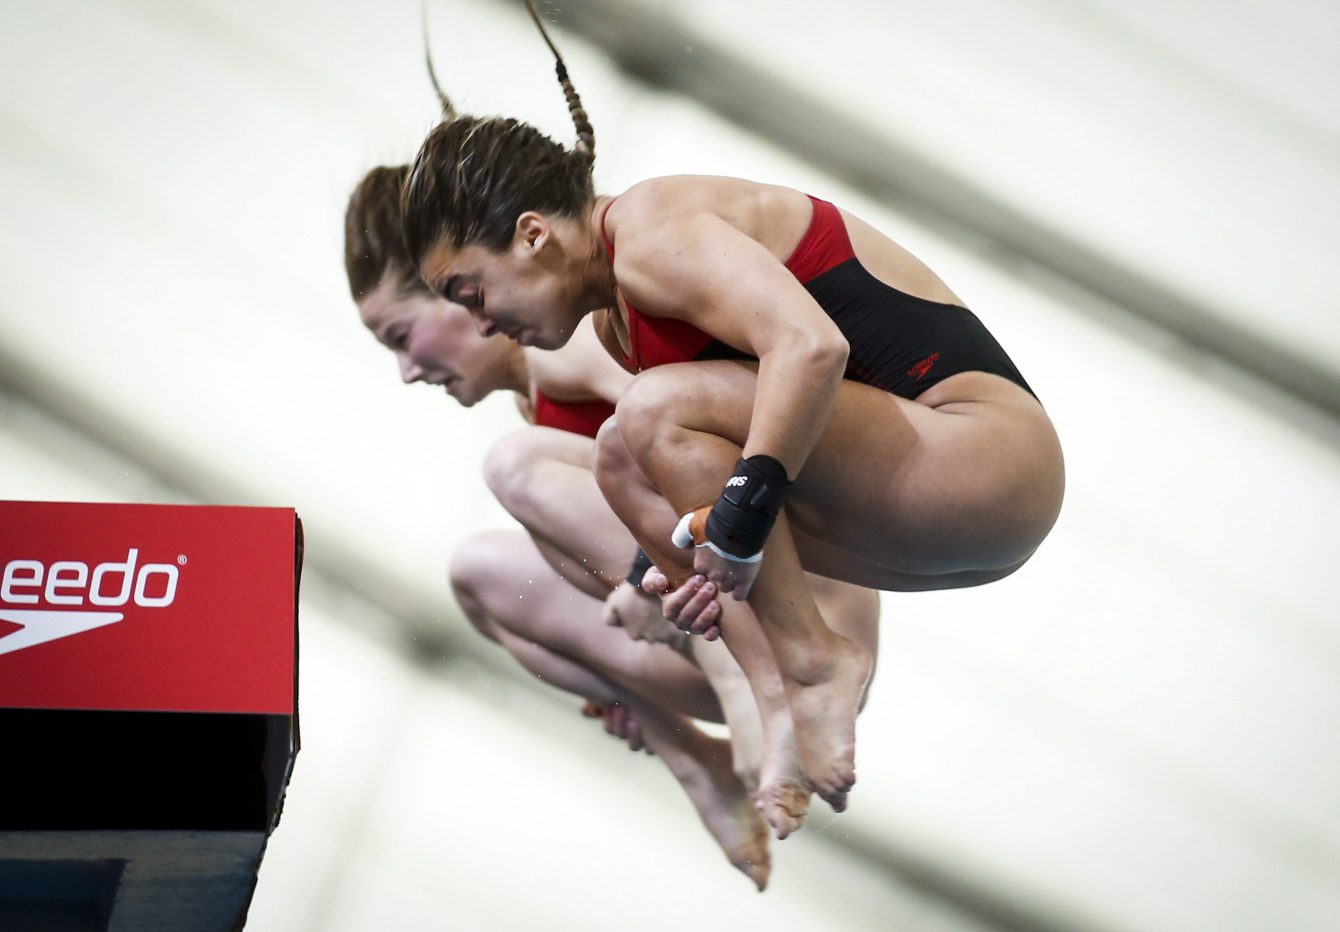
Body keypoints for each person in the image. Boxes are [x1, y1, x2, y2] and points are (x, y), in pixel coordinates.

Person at [397, 1, 1065, 821]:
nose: (484, 324)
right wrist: (682, 569)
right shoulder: (614, 326)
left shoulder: (650, 230)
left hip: (988, 463)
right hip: (934, 529)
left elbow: (810, 348)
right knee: (618, 459)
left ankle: (810, 666)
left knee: (647, 417)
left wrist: (739, 518)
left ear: (533, 235)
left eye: (473, 294)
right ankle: (787, 678)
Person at [343, 164, 879, 887]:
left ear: (457, 292)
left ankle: (761, 694)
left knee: (515, 466)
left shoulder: (568, 345)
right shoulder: (537, 401)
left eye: (403, 336)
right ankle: (698, 762)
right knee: (478, 576)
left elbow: (687, 442)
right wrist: (628, 628)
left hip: (799, 605)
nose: (409, 371)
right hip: (704, 626)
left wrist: (641, 570)